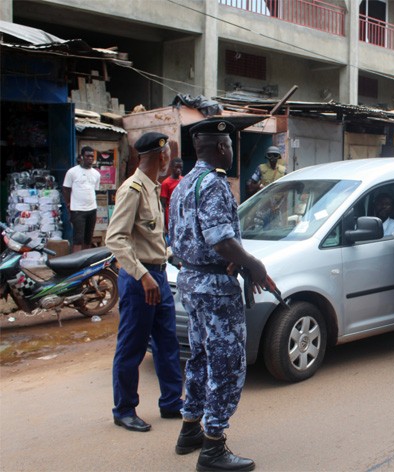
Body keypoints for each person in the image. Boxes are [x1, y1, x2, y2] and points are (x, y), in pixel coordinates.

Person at [170, 119, 273, 471]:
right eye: (229, 145)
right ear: (219, 148)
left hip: (192, 282)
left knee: (199, 357)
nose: (231, 151)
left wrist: (227, 260)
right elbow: (220, 239)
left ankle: (189, 430)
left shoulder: (184, 184)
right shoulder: (213, 184)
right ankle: (213, 446)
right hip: (214, 291)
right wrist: (252, 264)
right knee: (226, 365)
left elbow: (183, 240)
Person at [105, 132, 183, 432]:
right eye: (167, 155)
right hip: (140, 281)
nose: (168, 160)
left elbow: (149, 237)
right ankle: (124, 409)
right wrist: (143, 275)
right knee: (132, 347)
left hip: (158, 276)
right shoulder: (133, 190)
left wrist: (169, 255)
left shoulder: (152, 188)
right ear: (161, 156)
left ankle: (172, 403)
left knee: (167, 343)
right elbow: (116, 239)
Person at [63, 146, 101, 253]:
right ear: (81, 157)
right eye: (87, 156)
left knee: (88, 239)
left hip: (92, 209)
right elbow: (66, 189)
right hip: (78, 210)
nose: (90, 158)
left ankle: (86, 262)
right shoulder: (72, 172)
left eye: (92, 156)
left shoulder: (96, 174)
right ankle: (76, 264)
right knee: (78, 239)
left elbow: (95, 191)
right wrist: (69, 204)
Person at [160, 157, 183, 231]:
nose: (178, 170)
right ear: (171, 167)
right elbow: (163, 205)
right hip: (171, 216)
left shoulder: (184, 180)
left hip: (182, 214)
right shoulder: (166, 183)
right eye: (176, 167)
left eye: (180, 167)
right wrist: (163, 225)